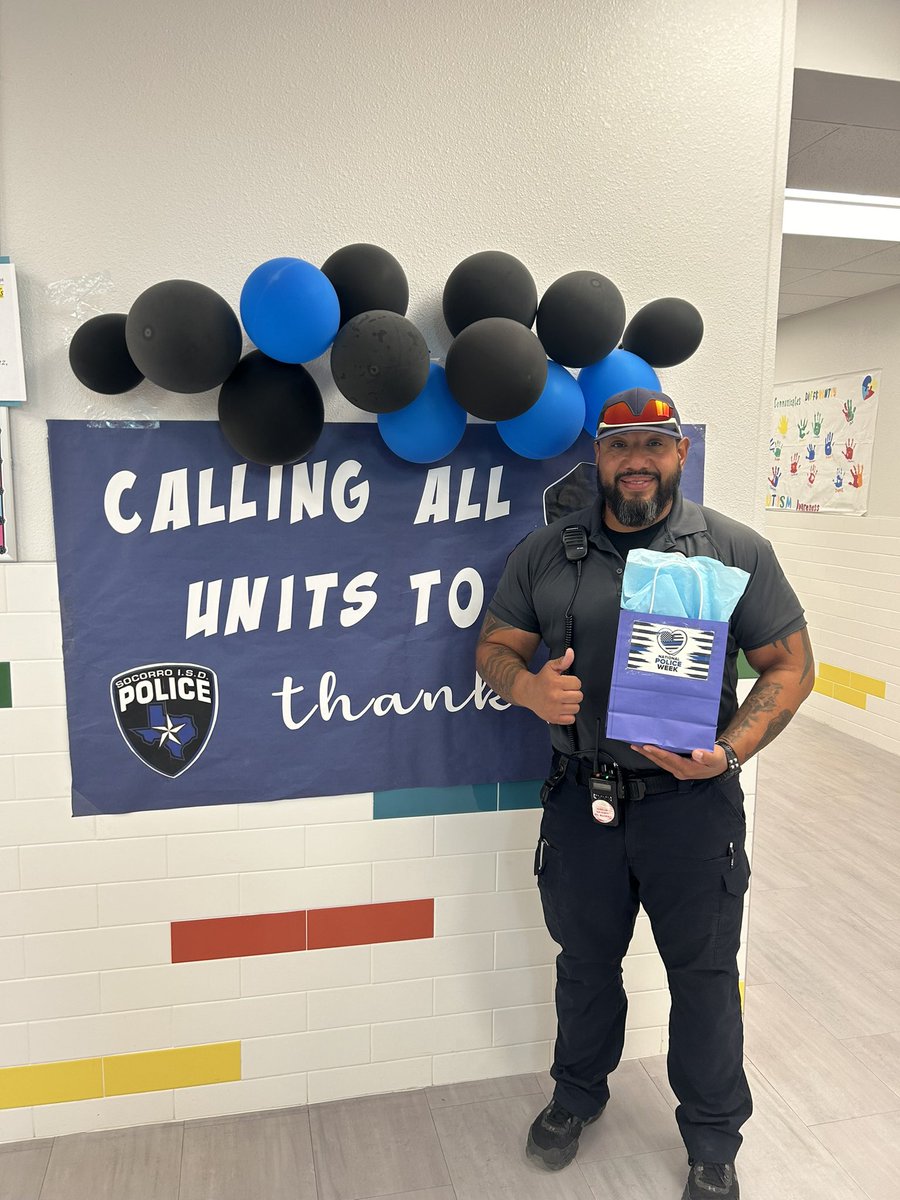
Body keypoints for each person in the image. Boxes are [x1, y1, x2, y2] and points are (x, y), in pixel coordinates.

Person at [475, 387, 814, 1200]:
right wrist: (525, 690)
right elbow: (493, 646)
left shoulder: (733, 550)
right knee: (585, 966)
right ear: (598, 454)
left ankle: (712, 1138)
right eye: (620, 445)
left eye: (653, 446)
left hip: (692, 809)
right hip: (581, 800)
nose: (636, 461)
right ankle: (575, 1098)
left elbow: (792, 667)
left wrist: (729, 751)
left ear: (680, 454)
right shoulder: (548, 552)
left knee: (703, 974)